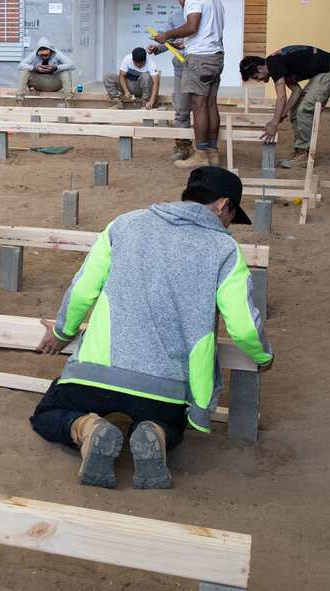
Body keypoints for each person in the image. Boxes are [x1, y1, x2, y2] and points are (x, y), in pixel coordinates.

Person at [31, 166, 273, 489]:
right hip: (163, 391)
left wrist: (61, 333)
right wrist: (263, 356)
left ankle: (86, 428)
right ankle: (155, 433)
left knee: (47, 413)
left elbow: (82, 289)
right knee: (173, 426)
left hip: (95, 377)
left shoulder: (125, 224)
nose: (229, 225)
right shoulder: (224, 250)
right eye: (231, 216)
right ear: (221, 205)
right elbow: (243, 327)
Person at [154, 0, 225, 169]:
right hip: (215, 55)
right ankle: (212, 152)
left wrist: (167, 35)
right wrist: (185, 44)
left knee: (198, 106)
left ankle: (201, 153)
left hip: (200, 59)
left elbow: (192, 26)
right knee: (211, 104)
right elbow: (206, 31)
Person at [240, 45, 330, 168]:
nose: (258, 81)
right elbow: (296, 91)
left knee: (304, 110)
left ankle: (304, 154)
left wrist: (274, 123)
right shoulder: (278, 64)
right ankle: (300, 151)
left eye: (256, 77)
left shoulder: (274, 64)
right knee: (295, 112)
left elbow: (282, 97)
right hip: (321, 73)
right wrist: (284, 113)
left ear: (260, 68)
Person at [148, 0, 192, 160]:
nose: (182, 0)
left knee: (203, 108)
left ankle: (207, 148)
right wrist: (157, 47)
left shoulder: (203, 14)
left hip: (199, 66)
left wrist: (186, 44)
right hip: (181, 67)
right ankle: (183, 147)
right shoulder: (175, 17)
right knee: (181, 109)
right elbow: (167, 39)